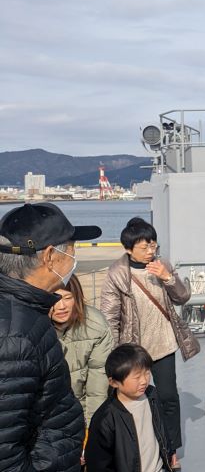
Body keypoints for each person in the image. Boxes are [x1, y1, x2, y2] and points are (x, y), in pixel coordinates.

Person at [0, 202, 101, 471]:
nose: (73, 258)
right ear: (49, 256)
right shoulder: (16, 333)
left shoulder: (24, 311)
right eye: (71, 249)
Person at [100, 218, 198, 471]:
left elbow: (182, 297)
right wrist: (115, 352)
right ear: (128, 248)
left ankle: (171, 449)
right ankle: (131, 447)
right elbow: (110, 316)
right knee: (132, 399)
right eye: (144, 247)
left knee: (168, 397)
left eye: (153, 245)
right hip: (135, 349)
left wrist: (167, 277)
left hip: (164, 342)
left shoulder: (162, 265)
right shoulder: (117, 274)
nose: (150, 252)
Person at [85, 344, 172, 472]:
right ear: (114, 382)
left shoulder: (151, 395)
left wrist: (170, 452)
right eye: (137, 377)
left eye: (147, 373)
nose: (144, 381)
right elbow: (98, 463)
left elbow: (161, 429)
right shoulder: (105, 418)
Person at [50, 274, 114, 427]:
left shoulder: (96, 325)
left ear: (77, 297)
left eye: (67, 298)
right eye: (54, 298)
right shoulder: (31, 325)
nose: (61, 306)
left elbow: (97, 387)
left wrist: (92, 426)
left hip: (79, 412)